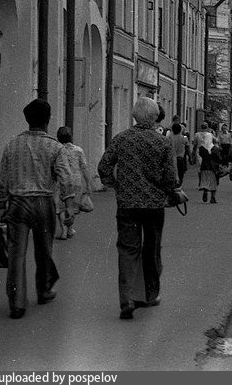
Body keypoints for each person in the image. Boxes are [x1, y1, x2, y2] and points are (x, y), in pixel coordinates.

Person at [98, 97, 179, 320]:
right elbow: (170, 178)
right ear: (155, 117)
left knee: (127, 249)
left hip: (127, 204)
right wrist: (170, 192)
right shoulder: (161, 142)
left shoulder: (121, 138)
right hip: (154, 205)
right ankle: (149, 295)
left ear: (134, 115)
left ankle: (127, 299)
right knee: (152, 249)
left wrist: (115, 184)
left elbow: (104, 166)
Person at [0, 99, 73, 320]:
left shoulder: (12, 144)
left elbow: (3, 178)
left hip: (18, 203)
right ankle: (44, 290)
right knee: (44, 251)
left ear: (27, 119)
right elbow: (66, 177)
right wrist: (68, 206)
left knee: (16, 255)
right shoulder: (55, 147)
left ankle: (17, 304)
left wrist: (2, 204)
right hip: (44, 202)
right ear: (48, 120)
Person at [55, 126, 92, 240]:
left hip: (60, 180)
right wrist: (88, 183)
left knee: (60, 207)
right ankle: (70, 229)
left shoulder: (57, 149)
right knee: (72, 206)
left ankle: (63, 231)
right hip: (76, 181)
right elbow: (84, 168)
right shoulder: (78, 150)